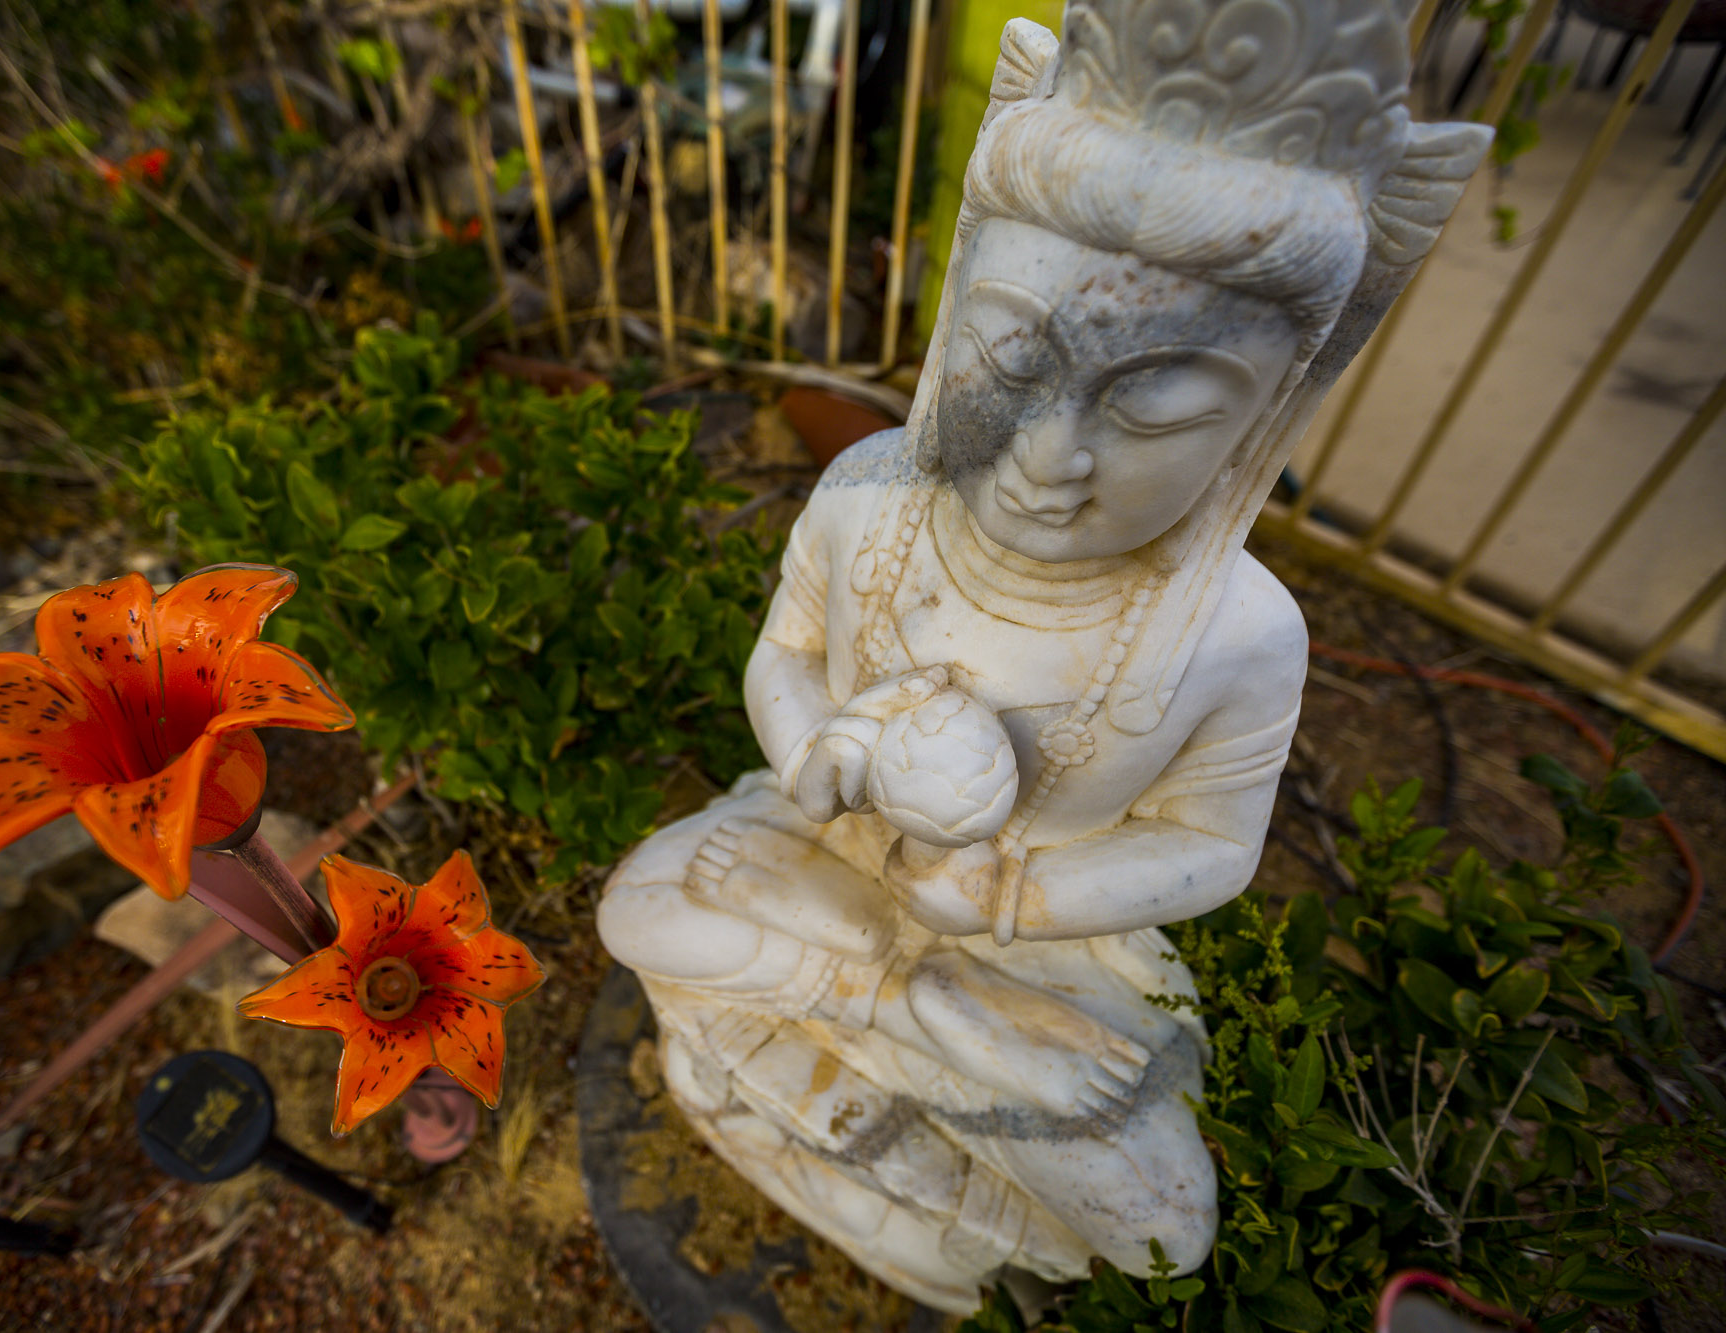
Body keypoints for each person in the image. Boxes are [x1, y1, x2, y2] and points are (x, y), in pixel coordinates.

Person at [598, 4, 1488, 1311]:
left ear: (1261, 420)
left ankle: (910, 1022)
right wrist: (818, 753)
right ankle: (909, 1006)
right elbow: (783, 658)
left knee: (1161, 1233)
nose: (1045, 454)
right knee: (638, 899)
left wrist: (1003, 904)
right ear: (958, 305)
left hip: (1042, 939)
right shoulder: (866, 495)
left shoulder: (1236, 631)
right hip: (827, 860)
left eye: (1150, 405)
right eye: (1011, 353)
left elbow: (1212, 849)